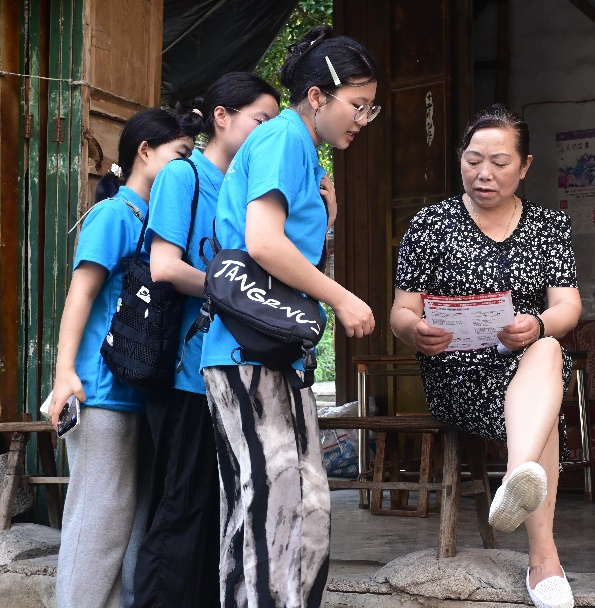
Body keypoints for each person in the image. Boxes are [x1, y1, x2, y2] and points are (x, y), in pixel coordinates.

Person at [200, 25, 379, 607]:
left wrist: (326, 222)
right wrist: (342, 297)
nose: (363, 119)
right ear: (318, 96)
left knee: (305, 503)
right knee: (270, 507)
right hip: (243, 353)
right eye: (358, 105)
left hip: (276, 353)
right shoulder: (282, 137)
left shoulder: (301, 148)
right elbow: (263, 243)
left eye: (370, 109)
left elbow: (285, 250)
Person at [390, 104, 581, 608]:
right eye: (473, 160)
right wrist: (416, 330)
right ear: (461, 160)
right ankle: (544, 560)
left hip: (523, 366)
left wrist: (537, 324)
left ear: (525, 165)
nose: (484, 173)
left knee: (548, 348)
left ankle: (519, 477)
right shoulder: (430, 225)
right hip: (456, 374)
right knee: (545, 410)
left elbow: (567, 307)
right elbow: (401, 310)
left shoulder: (549, 226)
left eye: (499, 162)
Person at [131, 73, 281, 608]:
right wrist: (240, 294)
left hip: (235, 370)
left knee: (221, 515)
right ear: (221, 116)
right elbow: (165, 266)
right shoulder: (184, 176)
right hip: (187, 372)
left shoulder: (252, 190)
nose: (267, 133)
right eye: (260, 120)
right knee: (183, 509)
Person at [49, 108, 198, 608]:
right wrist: (64, 374)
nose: (186, 167)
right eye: (180, 155)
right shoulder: (113, 215)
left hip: (141, 395)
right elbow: (81, 294)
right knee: (97, 527)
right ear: (144, 152)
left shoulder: (159, 222)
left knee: (132, 528)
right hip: (100, 394)